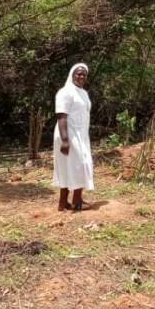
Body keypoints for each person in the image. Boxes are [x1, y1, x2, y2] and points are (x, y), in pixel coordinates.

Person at [53, 63, 94, 211]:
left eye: (84, 74)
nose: (81, 76)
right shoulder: (66, 92)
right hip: (68, 133)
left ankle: (65, 202)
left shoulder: (83, 92)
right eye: (78, 73)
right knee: (77, 165)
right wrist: (65, 140)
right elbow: (61, 115)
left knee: (76, 165)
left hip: (81, 134)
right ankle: (75, 201)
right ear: (72, 74)